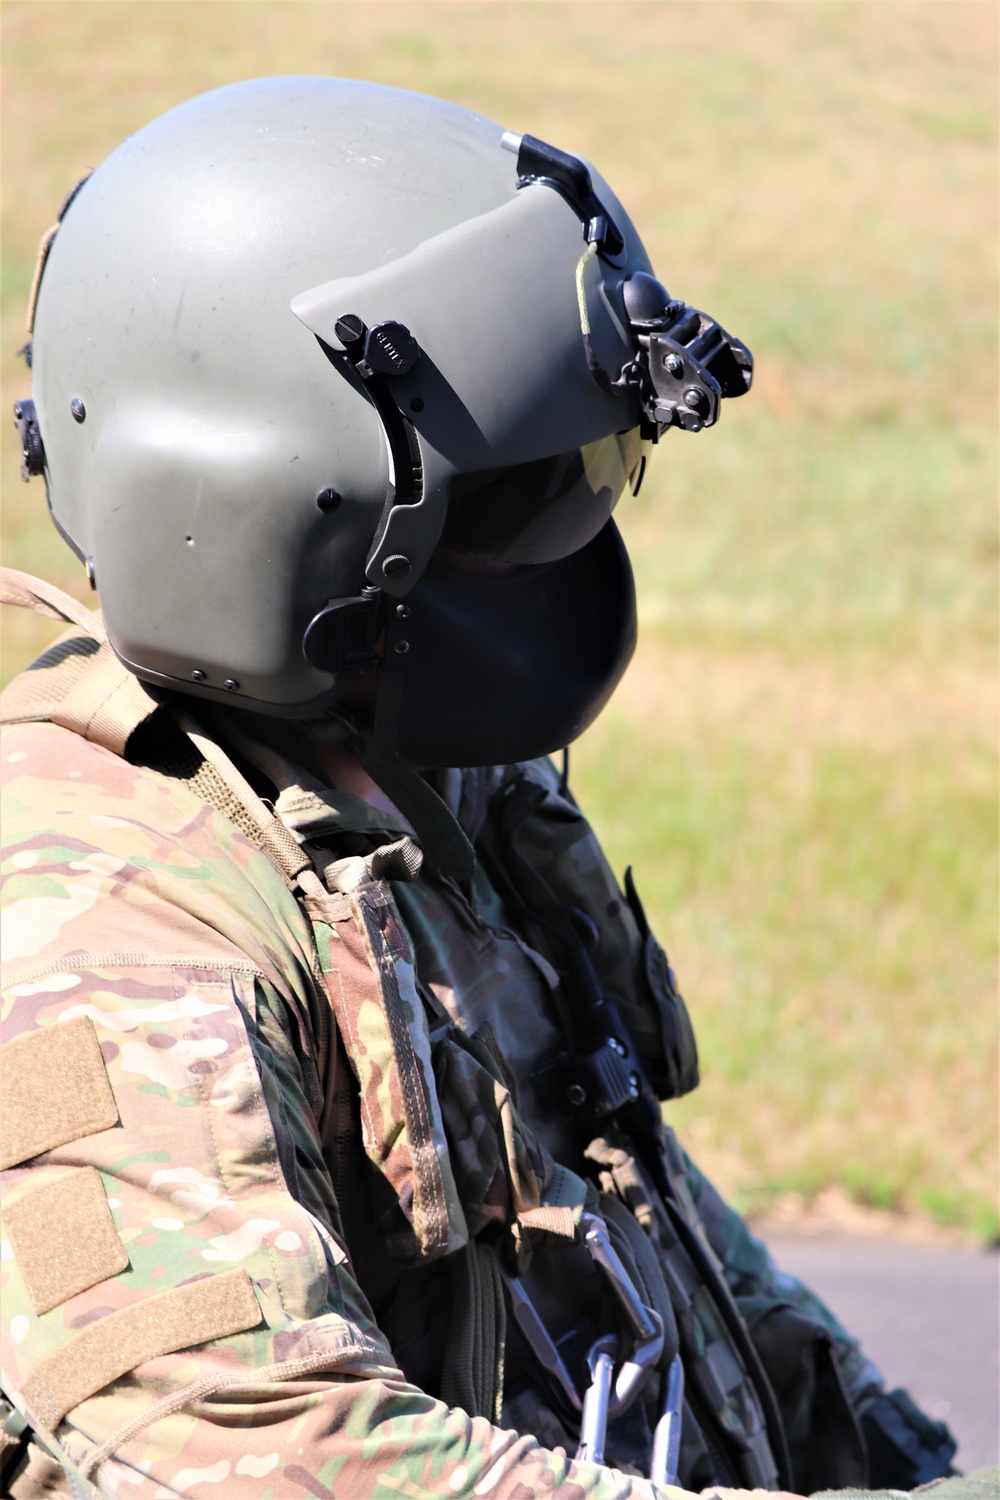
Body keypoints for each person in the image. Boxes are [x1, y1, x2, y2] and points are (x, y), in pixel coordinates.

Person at [0, 78, 962, 1499]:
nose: (560, 551)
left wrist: (890, 1465)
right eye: (508, 506)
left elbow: (635, 1199)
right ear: (277, 510)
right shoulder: (95, 924)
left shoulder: (427, 791)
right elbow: (254, 1446)